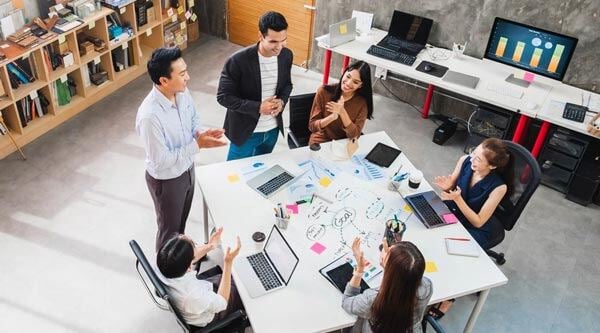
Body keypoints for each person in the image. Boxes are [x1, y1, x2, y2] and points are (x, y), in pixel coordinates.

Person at [136, 47, 227, 252]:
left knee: (181, 225)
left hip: (187, 169)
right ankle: (166, 273)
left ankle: (181, 262)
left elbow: (193, 118)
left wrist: (199, 133)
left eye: (186, 70)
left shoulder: (182, 93)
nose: (188, 77)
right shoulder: (150, 117)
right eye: (182, 74)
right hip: (167, 180)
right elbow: (161, 160)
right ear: (163, 81)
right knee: (169, 231)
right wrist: (197, 145)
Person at [428, 137, 513, 319]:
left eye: (478, 159)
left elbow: (479, 221)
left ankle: (448, 298)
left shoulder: (499, 187)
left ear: (492, 166)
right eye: (474, 153)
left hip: (479, 225)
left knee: (452, 255)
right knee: (429, 230)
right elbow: (453, 184)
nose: (472, 159)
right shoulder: (465, 161)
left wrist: (457, 199)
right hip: (457, 210)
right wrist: (448, 185)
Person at [217, 11, 293, 160]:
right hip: (246, 133)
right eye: (273, 42)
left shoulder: (286, 55)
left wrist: (282, 101)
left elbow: (287, 85)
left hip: (272, 131)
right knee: (234, 173)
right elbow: (223, 97)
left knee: (258, 171)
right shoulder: (237, 61)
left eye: (283, 40)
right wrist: (258, 107)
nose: (279, 47)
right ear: (260, 36)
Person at [156, 228, 245, 329]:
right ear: (189, 268)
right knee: (244, 284)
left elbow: (188, 257)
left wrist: (210, 246)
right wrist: (228, 263)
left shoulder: (162, 261)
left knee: (234, 274)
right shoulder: (193, 296)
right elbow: (222, 302)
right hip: (210, 313)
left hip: (199, 296)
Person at [342, 238, 433, 333]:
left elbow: (347, 301)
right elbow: (405, 277)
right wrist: (390, 267)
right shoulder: (427, 286)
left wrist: (359, 270)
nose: (385, 249)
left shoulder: (373, 300)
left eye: (388, 251)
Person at [308, 61, 373, 145]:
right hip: (321, 141)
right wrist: (332, 117)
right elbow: (312, 127)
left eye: (355, 82)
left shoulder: (362, 102)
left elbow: (354, 136)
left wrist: (342, 112)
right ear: (344, 72)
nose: (348, 83)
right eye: (348, 76)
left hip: (345, 143)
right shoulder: (324, 91)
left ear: (361, 85)